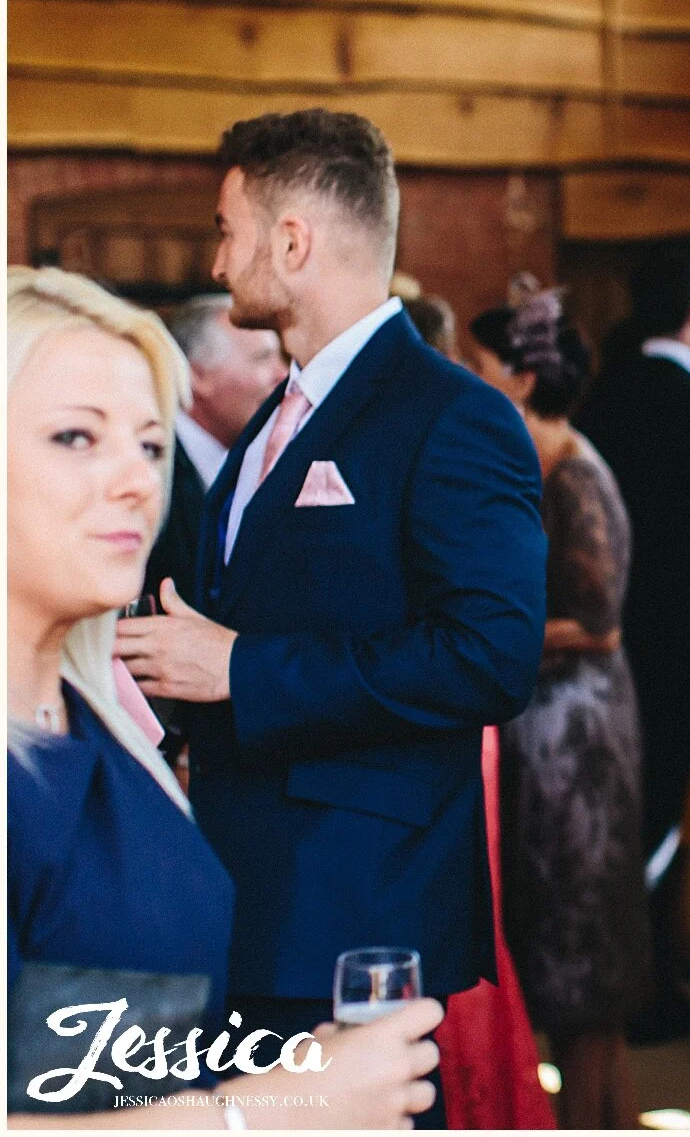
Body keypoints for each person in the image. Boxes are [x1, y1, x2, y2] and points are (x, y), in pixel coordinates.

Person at [112, 109, 548, 1128]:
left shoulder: (452, 415)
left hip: (356, 909)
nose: (217, 258)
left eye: (228, 229)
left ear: (293, 241)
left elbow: (491, 659)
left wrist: (243, 669)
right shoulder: (277, 415)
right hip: (247, 890)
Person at [8, 266, 443, 1129]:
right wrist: (269, 1110)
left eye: (148, 444)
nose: (136, 480)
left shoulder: (99, 718)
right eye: (75, 438)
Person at [468, 284, 652, 1128]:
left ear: (521, 379)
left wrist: (490, 632)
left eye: (479, 367)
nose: (470, 380)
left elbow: (603, 624)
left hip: (579, 742)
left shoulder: (576, 471)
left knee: (584, 956)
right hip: (541, 730)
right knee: (560, 949)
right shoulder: (533, 464)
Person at [573, 249, 690, 1035]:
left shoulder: (599, 400)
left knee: (628, 807)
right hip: (685, 640)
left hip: (606, 636)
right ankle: (679, 984)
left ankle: (628, 980)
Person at [146, 294, 288, 605]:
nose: (284, 374)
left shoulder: (268, 459)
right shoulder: (147, 467)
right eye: (263, 358)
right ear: (197, 375)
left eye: (281, 357)